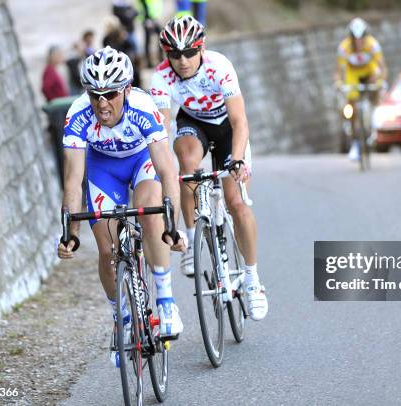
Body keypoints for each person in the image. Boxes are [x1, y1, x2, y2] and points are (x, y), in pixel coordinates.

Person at [57, 46, 185, 365]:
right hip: (104, 169)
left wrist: (173, 225)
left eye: (111, 94)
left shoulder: (144, 108)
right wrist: (70, 232)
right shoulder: (77, 115)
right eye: (94, 94)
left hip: (142, 161)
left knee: (150, 212)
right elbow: (73, 180)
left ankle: (166, 299)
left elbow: (168, 171)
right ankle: (123, 317)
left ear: (126, 89)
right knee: (106, 250)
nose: (102, 103)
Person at [149, 16, 268, 321]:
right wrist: (159, 168)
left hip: (228, 129)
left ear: (201, 48)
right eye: (175, 55)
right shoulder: (161, 77)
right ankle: (191, 238)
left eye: (190, 52)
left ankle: (253, 281)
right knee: (186, 166)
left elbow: (240, 121)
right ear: (166, 56)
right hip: (194, 124)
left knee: (237, 203)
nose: (183, 61)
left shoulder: (220, 66)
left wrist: (237, 159)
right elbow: (161, 127)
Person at [335, 17, 387, 160]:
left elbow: (382, 68)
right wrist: (339, 83)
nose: (358, 43)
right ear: (350, 38)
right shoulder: (344, 48)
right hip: (353, 74)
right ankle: (355, 142)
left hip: (369, 72)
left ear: (366, 36)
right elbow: (339, 71)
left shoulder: (372, 45)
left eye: (361, 39)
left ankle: (374, 120)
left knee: (375, 90)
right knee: (351, 105)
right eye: (354, 39)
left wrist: (380, 80)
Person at [137, 0, 164, 67]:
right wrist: (147, 19)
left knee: (161, 39)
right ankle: (148, 62)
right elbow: (143, 6)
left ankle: (161, 59)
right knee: (148, 41)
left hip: (156, 19)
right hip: (148, 20)